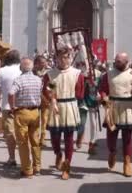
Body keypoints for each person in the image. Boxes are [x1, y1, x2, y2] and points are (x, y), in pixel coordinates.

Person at [99, 52, 132, 177]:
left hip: (128, 108)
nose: (116, 63)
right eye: (115, 61)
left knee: (127, 139)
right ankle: (112, 152)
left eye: (119, 61)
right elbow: (103, 90)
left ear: (126, 62)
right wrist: (103, 98)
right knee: (111, 136)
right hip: (112, 107)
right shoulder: (108, 74)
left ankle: (127, 163)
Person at [42, 48, 85, 180]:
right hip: (55, 106)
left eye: (66, 57)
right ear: (56, 58)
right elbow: (46, 90)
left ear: (70, 57)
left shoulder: (77, 74)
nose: (63, 60)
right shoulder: (50, 74)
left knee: (69, 138)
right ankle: (58, 153)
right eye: (61, 57)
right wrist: (51, 97)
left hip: (70, 106)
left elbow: (80, 93)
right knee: (54, 137)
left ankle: (67, 166)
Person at [8, 58, 43, 178]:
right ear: (32, 67)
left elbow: (11, 93)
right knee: (35, 141)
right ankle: (37, 167)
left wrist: (12, 107)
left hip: (22, 112)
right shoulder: (38, 80)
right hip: (35, 112)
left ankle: (27, 169)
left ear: (21, 67)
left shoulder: (18, 80)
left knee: (23, 142)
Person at [0, 50, 22, 167]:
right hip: (22, 106)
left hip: (7, 106)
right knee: (22, 132)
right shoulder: (23, 69)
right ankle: (25, 158)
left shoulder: (1, 71)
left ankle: (12, 158)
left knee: (10, 134)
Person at [76, 62, 102, 155]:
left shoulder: (98, 74)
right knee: (81, 123)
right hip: (83, 101)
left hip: (94, 101)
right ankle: (79, 137)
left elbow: (101, 87)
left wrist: (100, 94)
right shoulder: (81, 74)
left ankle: (92, 143)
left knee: (93, 124)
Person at [33, 55, 50, 147]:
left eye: (45, 62)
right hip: (35, 98)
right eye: (42, 62)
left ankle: (42, 139)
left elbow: (52, 84)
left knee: (44, 120)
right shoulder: (32, 72)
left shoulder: (49, 72)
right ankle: (35, 137)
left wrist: (51, 95)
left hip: (46, 99)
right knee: (35, 119)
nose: (44, 64)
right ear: (37, 63)